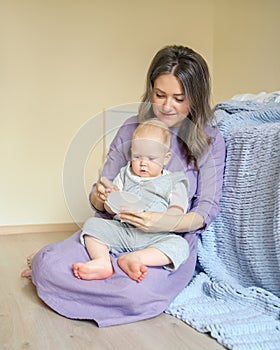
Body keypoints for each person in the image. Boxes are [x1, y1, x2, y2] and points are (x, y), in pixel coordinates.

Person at [21, 45, 226, 327]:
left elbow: (206, 209)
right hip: (115, 230)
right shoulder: (131, 128)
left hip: (160, 242)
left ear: (196, 98)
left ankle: (90, 278)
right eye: (159, 95)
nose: (167, 106)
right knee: (50, 266)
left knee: (133, 293)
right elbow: (101, 197)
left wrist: (163, 221)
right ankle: (63, 266)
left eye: (179, 98)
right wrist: (99, 195)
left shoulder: (209, 140)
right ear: (150, 90)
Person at [72, 120, 190, 282]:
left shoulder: (174, 181)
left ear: (166, 158)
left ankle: (136, 258)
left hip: (156, 236)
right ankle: (102, 261)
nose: (143, 163)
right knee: (93, 225)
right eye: (137, 156)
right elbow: (110, 209)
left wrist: (160, 219)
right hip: (123, 230)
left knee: (180, 246)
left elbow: (178, 211)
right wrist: (109, 198)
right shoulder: (124, 174)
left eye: (151, 158)